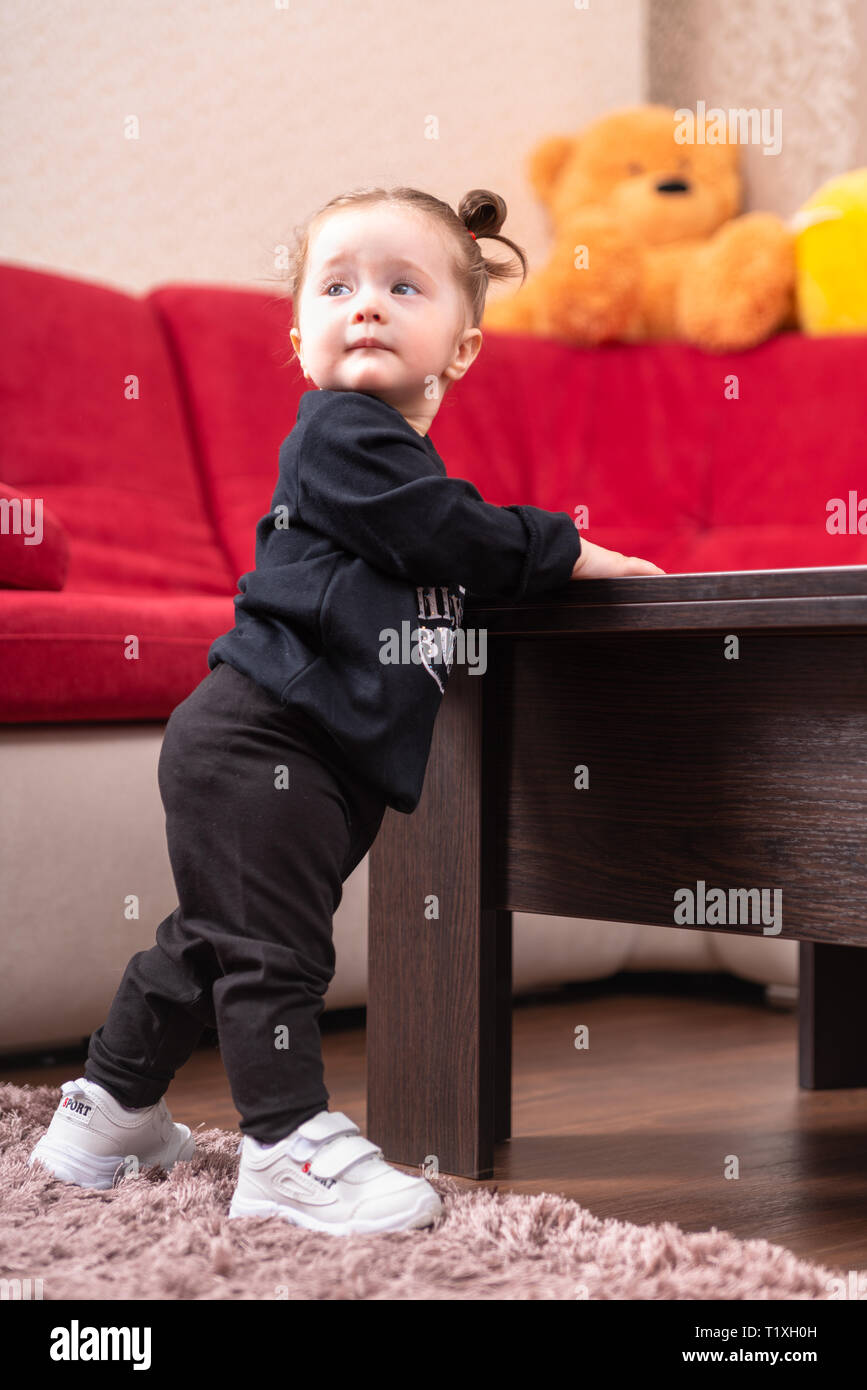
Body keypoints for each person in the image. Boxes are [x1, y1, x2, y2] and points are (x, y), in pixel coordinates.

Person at [28, 186, 665, 1236]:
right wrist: (571, 548)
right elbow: (441, 531)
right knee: (277, 956)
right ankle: (287, 1146)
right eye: (338, 287)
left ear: (462, 348)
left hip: (290, 750)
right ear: (300, 339)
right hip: (260, 736)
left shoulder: (396, 462)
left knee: (215, 941)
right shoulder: (341, 436)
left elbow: (436, 548)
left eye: (402, 286)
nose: (365, 304)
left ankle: (107, 1113)